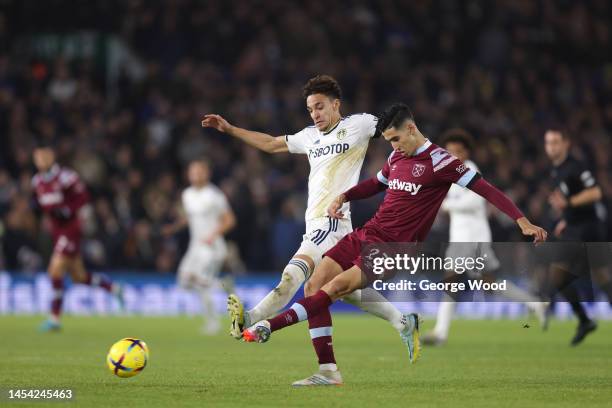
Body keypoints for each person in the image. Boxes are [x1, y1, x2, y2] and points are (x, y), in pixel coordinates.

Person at [243, 103, 547, 385]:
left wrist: (522, 220)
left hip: (393, 249)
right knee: (315, 284)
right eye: (388, 140)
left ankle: (269, 326)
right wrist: (345, 196)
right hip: (366, 233)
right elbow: (376, 184)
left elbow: (487, 189)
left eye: (396, 138)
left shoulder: (442, 162)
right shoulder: (397, 156)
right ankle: (328, 371)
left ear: (412, 128)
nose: (393, 146)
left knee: (334, 288)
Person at [202, 75, 413, 375]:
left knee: (295, 276)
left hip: (333, 222)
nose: (314, 114)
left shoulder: (360, 125)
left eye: (319, 107)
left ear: (335, 104)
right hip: (314, 223)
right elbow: (272, 144)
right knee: (340, 289)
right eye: (310, 109)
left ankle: (251, 319)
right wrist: (230, 129)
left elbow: (396, 130)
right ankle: (402, 322)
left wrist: (411, 159)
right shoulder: (308, 136)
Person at [422, 129, 548, 346]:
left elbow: (476, 201)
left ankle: (440, 332)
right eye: (450, 151)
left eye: (458, 151)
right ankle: (534, 302)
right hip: (465, 236)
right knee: (488, 283)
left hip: (472, 237)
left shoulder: (470, 170)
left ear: (467, 153)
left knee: (452, 279)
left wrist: (445, 205)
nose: (454, 155)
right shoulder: (449, 173)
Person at [32, 145, 122, 331]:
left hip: (71, 229)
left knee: (54, 270)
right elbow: (45, 206)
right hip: (57, 232)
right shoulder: (37, 181)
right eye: (37, 157)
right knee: (79, 277)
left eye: (44, 156)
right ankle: (114, 289)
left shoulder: (66, 176)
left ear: (52, 157)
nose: (41, 160)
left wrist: (68, 210)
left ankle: (54, 319)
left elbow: (83, 196)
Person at [544, 128, 611, 346]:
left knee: (558, 274)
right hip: (575, 227)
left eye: (555, 142)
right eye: (548, 142)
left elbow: (595, 192)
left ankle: (584, 320)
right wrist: (566, 218)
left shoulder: (576, 166)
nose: (552, 146)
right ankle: (584, 321)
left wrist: (569, 204)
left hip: (588, 229)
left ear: (566, 144)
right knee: (601, 277)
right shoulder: (557, 170)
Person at [163, 159, 236, 334]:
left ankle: (213, 323)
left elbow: (230, 220)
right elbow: (189, 218)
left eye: (199, 171)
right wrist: (173, 228)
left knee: (200, 281)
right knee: (184, 281)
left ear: (206, 174)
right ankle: (222, 284)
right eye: (192, 172)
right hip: (195, 246)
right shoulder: (187, 194)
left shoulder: (215, 195)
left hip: (212, 247)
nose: (195, 175)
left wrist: (213, 235)